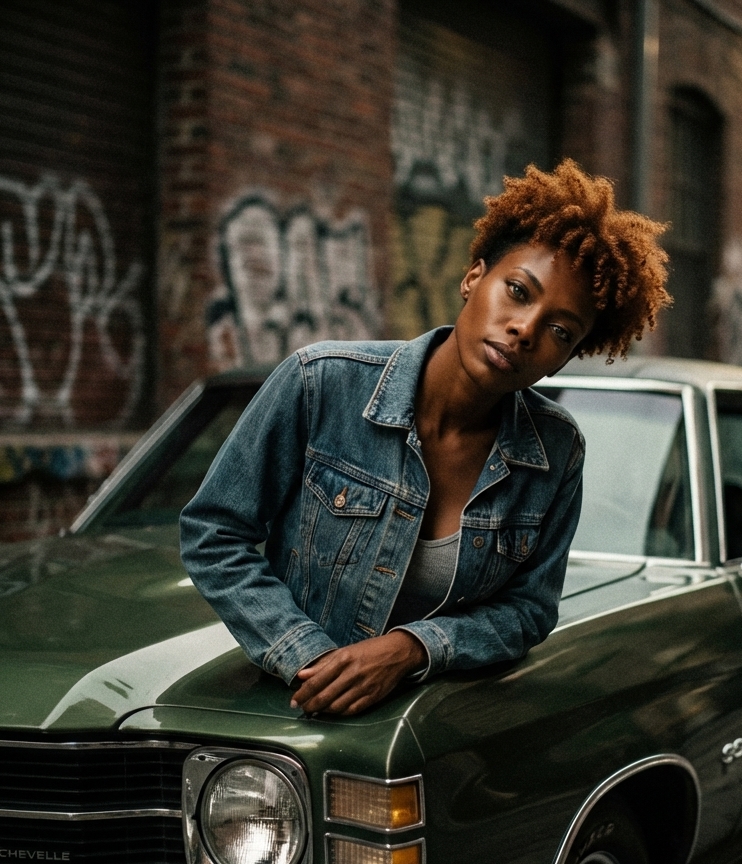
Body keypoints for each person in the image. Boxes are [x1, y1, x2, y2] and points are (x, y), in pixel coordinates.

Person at [180, 160, 670, 716]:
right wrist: (313, 660)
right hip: (294, 718)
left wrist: (410, 650)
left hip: (442, 730)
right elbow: (215, 533)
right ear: (472, 278)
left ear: (566, 357)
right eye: (517, 290)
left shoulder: (555, 452)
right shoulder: (321, 383)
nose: (526, 329)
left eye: (560, 330)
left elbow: (529, 610)